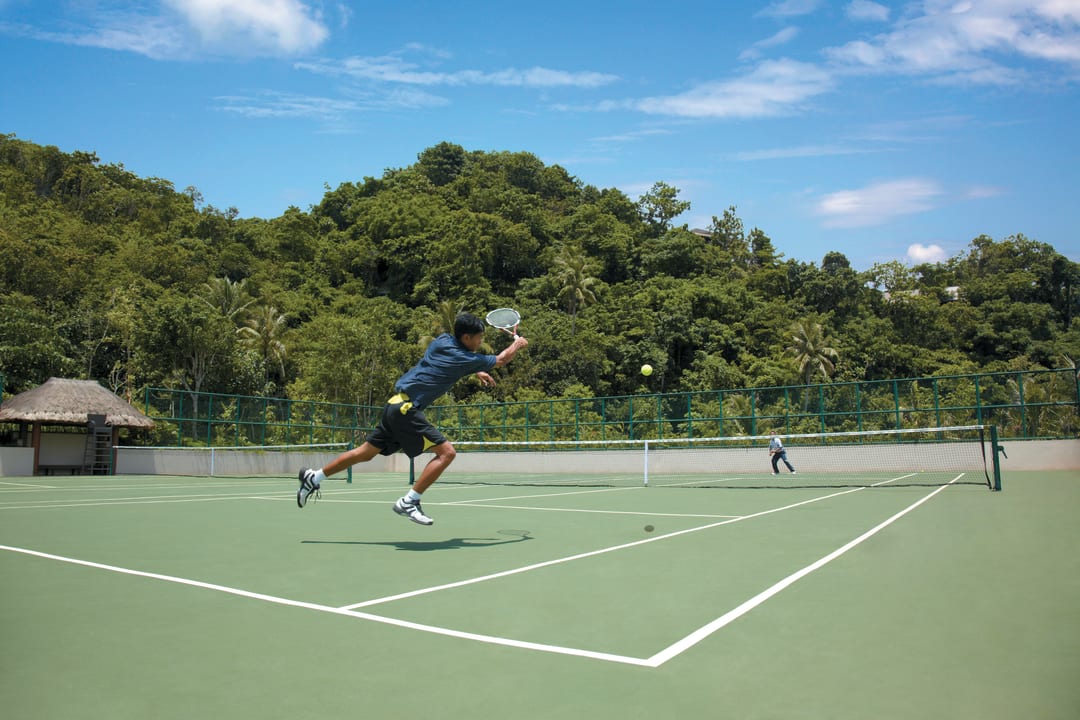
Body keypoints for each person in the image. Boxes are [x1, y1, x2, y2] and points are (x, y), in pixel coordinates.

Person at [296, 312, 528, 525]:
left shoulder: (443, 340)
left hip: (394, 405)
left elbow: (457, 361)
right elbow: (500, 360)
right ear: (466, 337)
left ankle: (313, 477)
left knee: (364, 453)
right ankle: (410, 501)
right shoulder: (461, 356)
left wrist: (475, 369)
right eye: (478, 338)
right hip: (406, 410)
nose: (479, 342)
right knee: (447, 453)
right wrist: (516, 344)